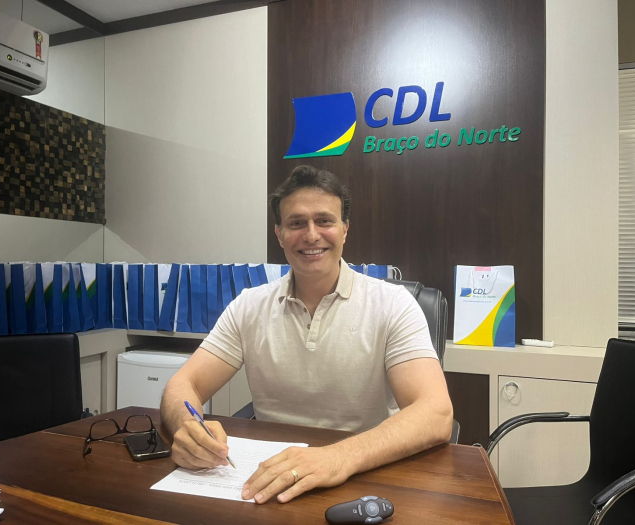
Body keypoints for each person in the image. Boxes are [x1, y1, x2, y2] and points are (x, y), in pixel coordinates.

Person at [160, 165, 453, 504]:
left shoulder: (392, 304)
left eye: (324, 221)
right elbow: (183, 385)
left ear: (345, 229)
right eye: (297, 223)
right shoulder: (249, 306)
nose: (312, 235)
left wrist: (338, 457)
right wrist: (187, 426)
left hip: (364, 478)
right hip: (271, 480)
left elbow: (436, 413)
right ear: (279, 234)